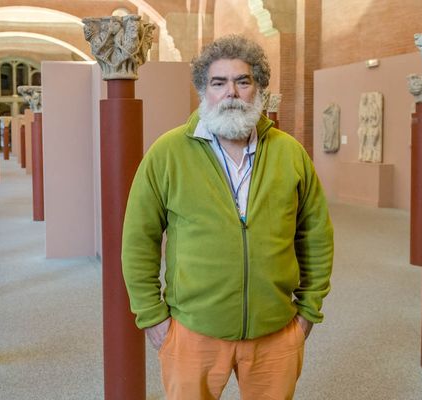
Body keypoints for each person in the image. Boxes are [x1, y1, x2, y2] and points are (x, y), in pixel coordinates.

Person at [121, 34, 333, 400]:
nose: (230, 93)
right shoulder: (168, 153)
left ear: (259, 90)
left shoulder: (290, 154)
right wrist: (152, 317)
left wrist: (307, 312)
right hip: (193, 330)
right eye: (218, 83)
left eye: (242, 81)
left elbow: (315, 235)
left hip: (276, 330)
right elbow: (139, 239)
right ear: (204, 90)